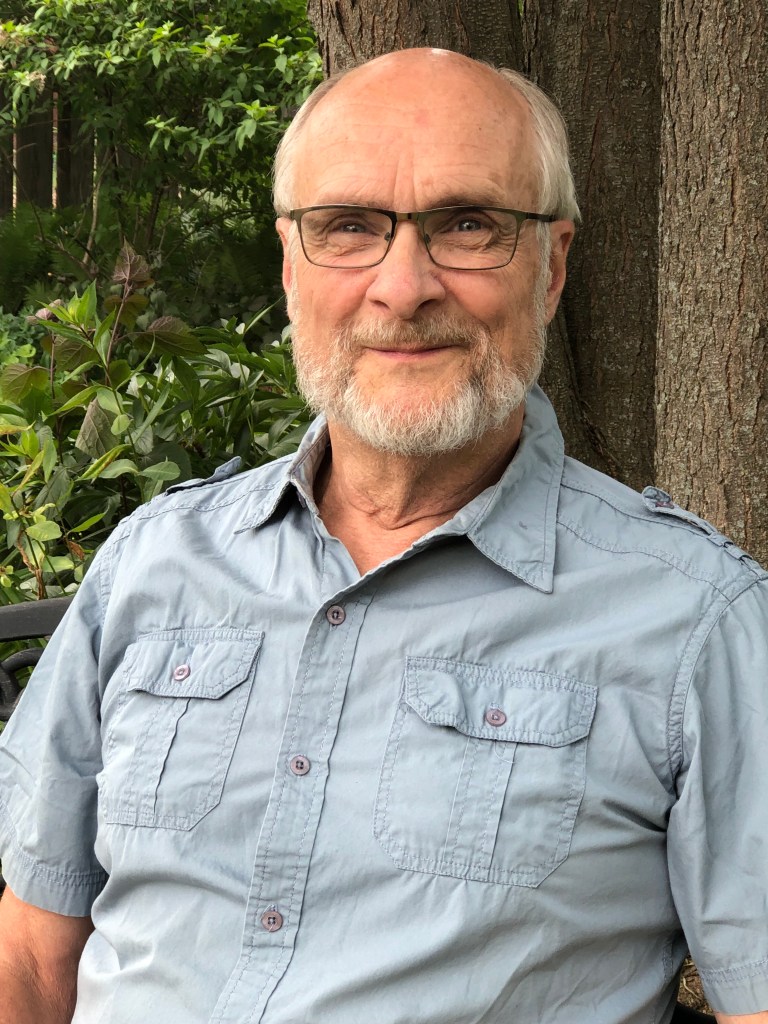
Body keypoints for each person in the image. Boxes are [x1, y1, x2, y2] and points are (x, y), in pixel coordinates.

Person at [0, 47, 766, 1024]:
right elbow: (30, 958)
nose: (403, 288)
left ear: (553, 266)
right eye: (349, 227)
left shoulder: (697, 619)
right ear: (292, 263)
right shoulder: (153, 564)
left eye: (469, 224)